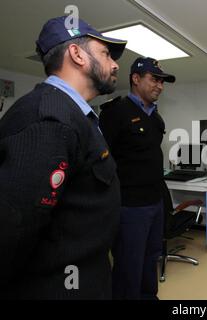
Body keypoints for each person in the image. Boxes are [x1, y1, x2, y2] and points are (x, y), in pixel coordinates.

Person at [0, 16, 127, 299]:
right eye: (106, 54)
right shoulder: (49, 119)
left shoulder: (76, 116)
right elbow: (13, 229)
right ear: (77, 54)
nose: (116, 64)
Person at [99, 57, 175, 300]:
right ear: (135, 78)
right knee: (129, 264)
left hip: (155, 202)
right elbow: (100, 162)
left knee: (151, 257)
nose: (160, 86)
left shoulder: (155, 117)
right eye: (155, 79)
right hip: (129, 207)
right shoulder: (116, 112)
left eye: (162, 81)